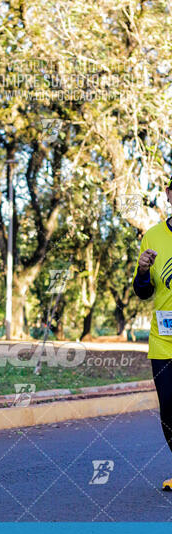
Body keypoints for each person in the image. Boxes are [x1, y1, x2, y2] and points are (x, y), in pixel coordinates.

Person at [132, 177, 172, 490]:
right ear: (169, 195)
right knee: (169, 408)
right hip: (164, 339)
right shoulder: (153, 236)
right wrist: (143, 271)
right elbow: (142, 292)